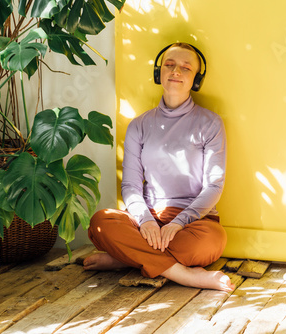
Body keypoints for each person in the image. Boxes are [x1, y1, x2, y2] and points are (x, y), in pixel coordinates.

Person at [84, 42, 234, 292]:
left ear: (196, 80)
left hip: (193, 222)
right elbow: (131, 185)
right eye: (169, 64)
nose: (176, 71)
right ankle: (186, 275)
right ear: (159, 73)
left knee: (212, 241)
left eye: (186, 68)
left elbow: (214, 185)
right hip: (147, 220)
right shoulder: (139, 125)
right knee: (101, 222)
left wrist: (179, 222)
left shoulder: (210, 123)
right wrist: (145, 222)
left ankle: (126, 258)